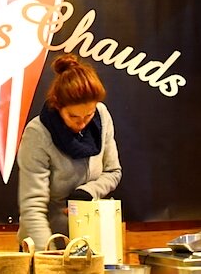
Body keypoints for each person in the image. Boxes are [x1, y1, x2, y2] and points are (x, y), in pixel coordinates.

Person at [17, 53, 122, 249]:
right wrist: (47, 257)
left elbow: (113, 172)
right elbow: (33, 208)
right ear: (58, 106)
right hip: (47, 241)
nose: (82, 123)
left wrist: (87, 192)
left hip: (89, 238)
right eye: (74, 117)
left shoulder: (102, 116)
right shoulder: (38, 134)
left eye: (88, 115)